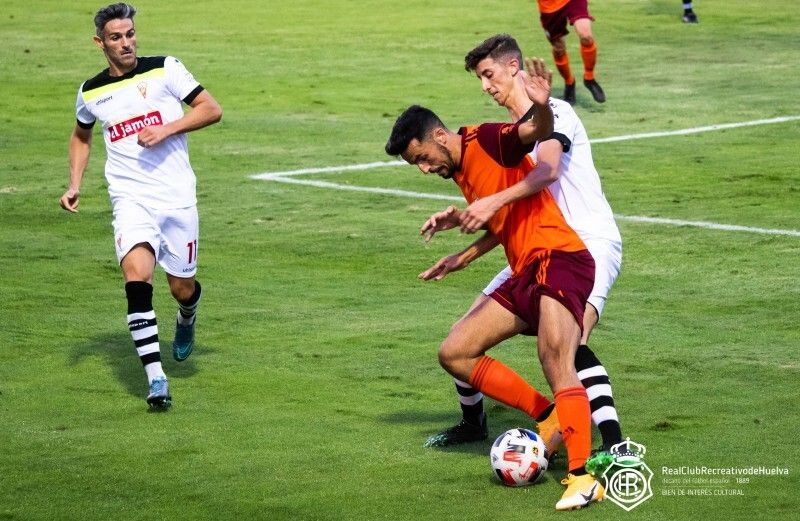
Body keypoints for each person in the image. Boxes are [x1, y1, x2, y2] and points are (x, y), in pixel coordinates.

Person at [385, 72, 604, 510]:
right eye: (418, 166)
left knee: (555, 357)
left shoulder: (487, 139)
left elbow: (532, 132)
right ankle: (548, 414)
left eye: (424, 158)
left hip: (560, 258)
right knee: (455, 351)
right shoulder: (462, 167)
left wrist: (541, 106)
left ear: (440, 136)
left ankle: (582, 477)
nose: (426, 169)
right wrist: (461, 242)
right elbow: (503, 212)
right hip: (526, 269)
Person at [422, 34, 623, 475]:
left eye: (488, 75)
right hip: (534, 246)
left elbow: (547, 171)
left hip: (585, 242)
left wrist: (490, 204)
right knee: (463, 335)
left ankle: (613, 446)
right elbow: (514, 210)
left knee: (567, 348)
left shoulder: (558, 115)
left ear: (514, 68)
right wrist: (466, 252)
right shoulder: (503, 136)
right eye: (480, 78)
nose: (484, 86)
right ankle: (476, 423)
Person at [60, 3, 222, 409]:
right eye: (116, 37)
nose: (126, 43)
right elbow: (81, 136)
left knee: (181, 287)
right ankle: (156, 379)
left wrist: (166, 129)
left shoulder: (165, 69)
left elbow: (211, 109)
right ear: (100, 42)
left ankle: (187, 315)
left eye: (130, 34)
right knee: (137, 279)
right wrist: (75, 184)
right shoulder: (91, 91)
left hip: (177, 198)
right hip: (130, 199)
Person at [534, 0, 605, 104]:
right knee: (559, 48)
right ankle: (569, 83)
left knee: (586, 36)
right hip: (549, 6)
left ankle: (589, 78)